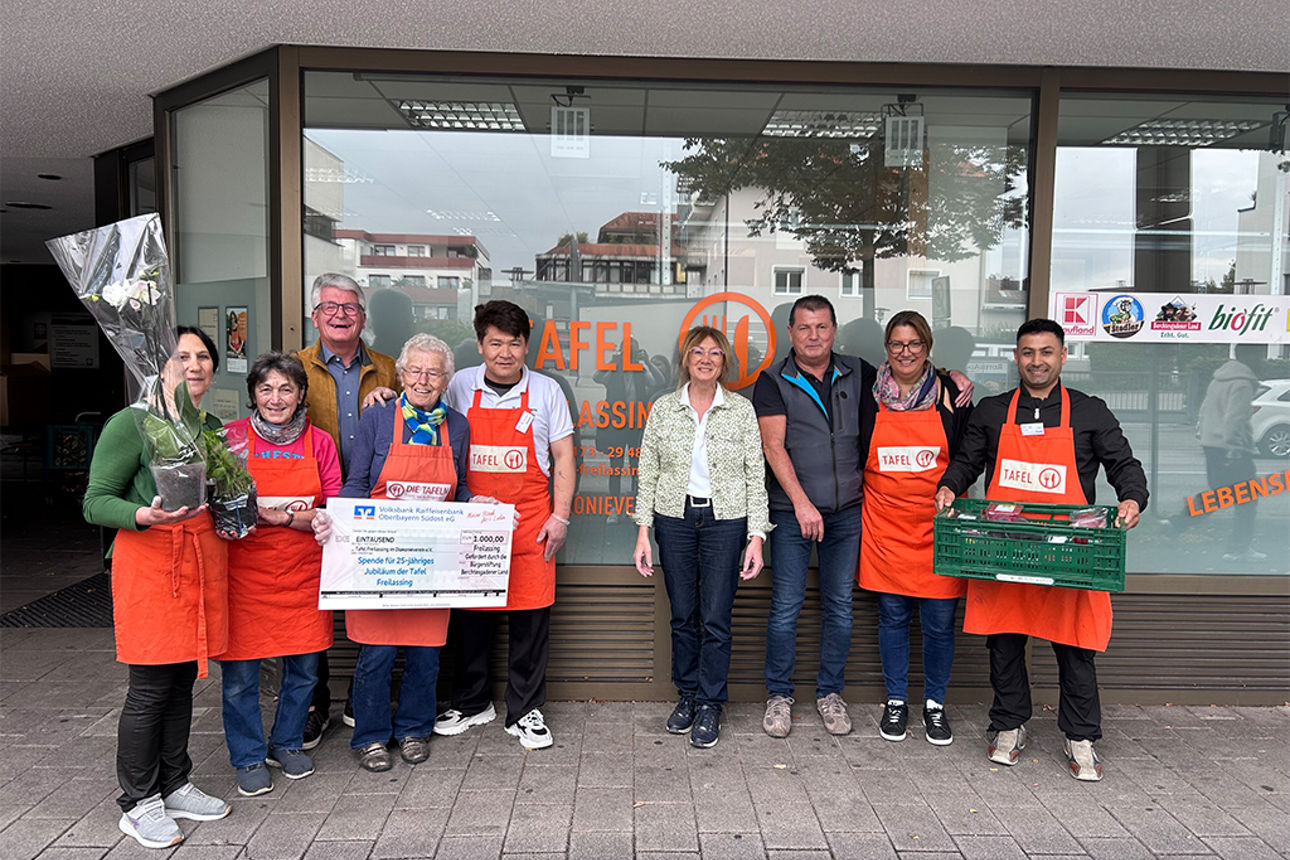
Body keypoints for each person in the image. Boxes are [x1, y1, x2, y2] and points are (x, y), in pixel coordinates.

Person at [935, 318, 1148, 782]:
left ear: (1063, 356)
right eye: (1028, 352)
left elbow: (1123, 464)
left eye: (1046, 352)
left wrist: (1132, 497)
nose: (1037, 361)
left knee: (1075, 645)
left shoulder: (1090, 412)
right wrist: (950, 487)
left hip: (1070, 552)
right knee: (1005, 642)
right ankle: (1009, 724)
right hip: (1007, 550)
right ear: (1016, 357)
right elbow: (967, 462)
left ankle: (1080, 735)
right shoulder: (992, 411)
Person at [83, 327, 233, 849]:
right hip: (149, 562)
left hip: (196, 561)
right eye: (181, 357)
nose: (194, 365)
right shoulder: (132, 424)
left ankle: (175, 783)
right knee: (149, 689)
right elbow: (95, 501)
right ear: (158, 366)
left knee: (182, 682)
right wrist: (142, 514)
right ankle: (138, 800)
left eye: (202, 357)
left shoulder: (209, 426)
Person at [318, 333, 472, 771]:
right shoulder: (378, 417)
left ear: (446, 380)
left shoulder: (457, 426)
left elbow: (459, 487)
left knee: (425, 654)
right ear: (401, 374)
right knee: (376, 654)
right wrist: (340, 524)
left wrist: (476, 506)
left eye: (434, 372)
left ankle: (413, 729)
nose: (423, 380)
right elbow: (356, 481)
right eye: (415, 371)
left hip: (430, 558)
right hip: (379, 556)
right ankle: (370, 736)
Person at [434, 300, 575, 750]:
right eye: (495, 343)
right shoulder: (459, 385)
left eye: (514, 343)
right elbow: (421, 416)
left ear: (526, 346)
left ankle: (526, 710)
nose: (505, 353)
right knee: (471, 618)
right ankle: (473, 702)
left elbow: (565, 458)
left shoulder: (548, 391)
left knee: (530, 620)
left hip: (533, 522)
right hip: (476, 520)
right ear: (480, 344)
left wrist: (561, 515)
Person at [631, 326, 772, 748]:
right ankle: (687, 695)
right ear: (686, 360)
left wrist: (757, 536)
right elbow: (649, 472)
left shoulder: (741, 411)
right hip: (674, 519)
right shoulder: (663, 409)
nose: (706, 359)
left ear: (724, 361)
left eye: (715, 352)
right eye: (698, 352)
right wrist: (643, 533)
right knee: (682, 615)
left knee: (715, 617)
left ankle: (712, 702)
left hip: (724, 521)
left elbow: (754, 476)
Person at [215, 352, 341, 796]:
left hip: (303, 576)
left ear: (301, 395)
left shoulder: (320, 443)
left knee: (304, 670)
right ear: (253, 393)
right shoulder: (229, 440)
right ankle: (248, 756)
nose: (276, 398)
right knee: (241, 679)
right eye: (266, 389)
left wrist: (281, 517)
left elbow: (333, 510)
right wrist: (291, 513)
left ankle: (286, 743)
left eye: (286, 388)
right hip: (243, 577)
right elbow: (219, 505)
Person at [752, 295, 873, 738]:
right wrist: (802, 503)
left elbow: (907, 386)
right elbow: (772, 447)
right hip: (791, 513)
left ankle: (829, 693)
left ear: (834, 330)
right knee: (786, 607)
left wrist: (947, 376)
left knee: (840, 607)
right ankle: (779, 695)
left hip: (846, 513)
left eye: (822, 327)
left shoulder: (858, 372)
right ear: (791, 333)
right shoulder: (773, 380)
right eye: (804, 328)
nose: (814, 336)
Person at [858, 311, 973, 746]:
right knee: (892, 617)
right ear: (886, 349)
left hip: (937, 526)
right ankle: (896, 701)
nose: (905, 352)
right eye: (897, 344)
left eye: (914, 344)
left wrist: (952, 485)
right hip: (886, 525)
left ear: (927, 347)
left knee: (940, 622)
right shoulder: (869, 395)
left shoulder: (951, 394)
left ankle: (935, 705)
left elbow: (968, 454)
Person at [295, 272, 398, 747]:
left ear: (363, 317)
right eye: (330, 307)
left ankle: (362, 694)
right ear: (314, 316)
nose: (340, 315)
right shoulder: (294, 369)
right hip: (314, 505)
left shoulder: (390, 367)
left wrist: (392, 403)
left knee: (374, 600)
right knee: (313, 608)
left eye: (350, 307)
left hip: (376, 507)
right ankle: (315, 703)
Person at [1196, 345, 1265, 562]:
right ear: (1251, 356)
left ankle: (1176, 523)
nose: (1262, 360)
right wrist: (1234, 449)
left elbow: (1205, 410)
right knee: (1247, 498)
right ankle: (1238, 549)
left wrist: (1203, 435)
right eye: (1260, 355)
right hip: (1232, 448)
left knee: (1218, 493)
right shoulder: (1243, 382)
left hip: (1212, 444)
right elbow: (1235, 418)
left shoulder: (1219, 378)